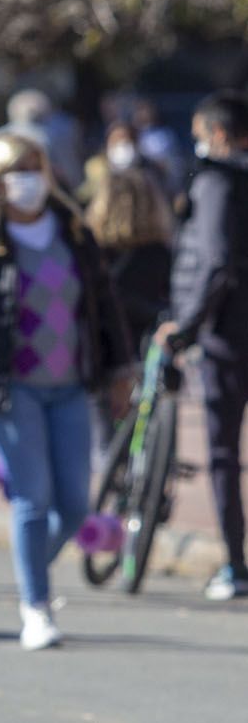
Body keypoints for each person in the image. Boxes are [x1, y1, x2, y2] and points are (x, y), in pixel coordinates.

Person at [0, 131, 131, 650]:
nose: (27, 180)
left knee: (75, 508)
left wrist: (121, 368)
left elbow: (104, 305)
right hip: (13, 392)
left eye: (35, 167)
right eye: (14, 171)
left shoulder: (73, 232)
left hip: (70, 386)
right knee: (32, 501)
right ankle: (36, 608)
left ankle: (31, 566)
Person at [155, 90, 248, 601]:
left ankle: (235, 563)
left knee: (223, 452)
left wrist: (186, 327)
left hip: (227, 337)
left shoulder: (215, 183)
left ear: (217, 133)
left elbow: (216, 263)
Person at [82, 122, 174, 466]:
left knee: (102, 424)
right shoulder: (159, 250)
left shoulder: (93, 249)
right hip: (146, 340)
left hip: (102, 342)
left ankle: (109, 477)